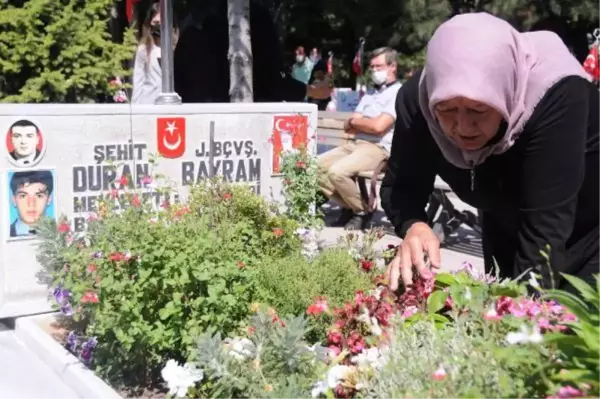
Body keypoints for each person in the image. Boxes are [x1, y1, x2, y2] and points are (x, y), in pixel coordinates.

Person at [381, 13, 600, 293]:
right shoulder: (420, 100)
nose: (462, 128)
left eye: (478, 110)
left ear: (505, 91)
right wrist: (414, 224)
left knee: (568, 325)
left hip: (587, 228)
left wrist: (522, 324)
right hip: (504, 220)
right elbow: (401, 185)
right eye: (446, 111)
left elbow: (546, 231)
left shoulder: (555, 95)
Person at [174, 0, 330, 103]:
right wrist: (312, 91)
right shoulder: (254, 17)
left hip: (196, 125)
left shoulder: (192, 19)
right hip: (245, 128)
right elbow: (273, 82)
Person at [318, 47, 401, 230]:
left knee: (337, 172)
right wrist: (363, 123)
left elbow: (379, 128)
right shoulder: (370, 93)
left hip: (378, 149)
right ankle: (354, 206)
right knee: (315, 168)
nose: (374, 71)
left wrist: (360, 122)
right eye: (371, 67)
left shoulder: (397, 93)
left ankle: (360, 211)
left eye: (378, 66)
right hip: (355, 144)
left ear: (392, 66)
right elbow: (348, 124)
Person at [131, 3, 178, 104]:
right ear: (150, 23)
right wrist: (135, 109)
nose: (159, 26)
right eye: (156, 22)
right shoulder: (144, 48)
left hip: (171, 105)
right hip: (148, 104)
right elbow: (138, 81)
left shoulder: (175, 48)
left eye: (162, 23)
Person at [10, 170, 54, 237]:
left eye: (39, 196)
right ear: (14, 200)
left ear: (49, 199)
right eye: (23, 196)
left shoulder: (63, 234)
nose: (31, 204)